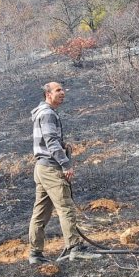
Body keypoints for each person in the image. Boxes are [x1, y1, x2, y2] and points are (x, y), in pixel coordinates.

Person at [29, 81, 100, 263]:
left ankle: (35, 254)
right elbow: (51, 141)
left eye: (63, 89)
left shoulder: (44, 112)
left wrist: (63, 145)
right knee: (66, 207)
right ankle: (75, 248)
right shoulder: (47, 114)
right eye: (58, 90)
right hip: (51, 168)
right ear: (48, 94)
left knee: (41, 212)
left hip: (41, 167)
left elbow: (49, 141)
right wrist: (65, 164)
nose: (63, 92)